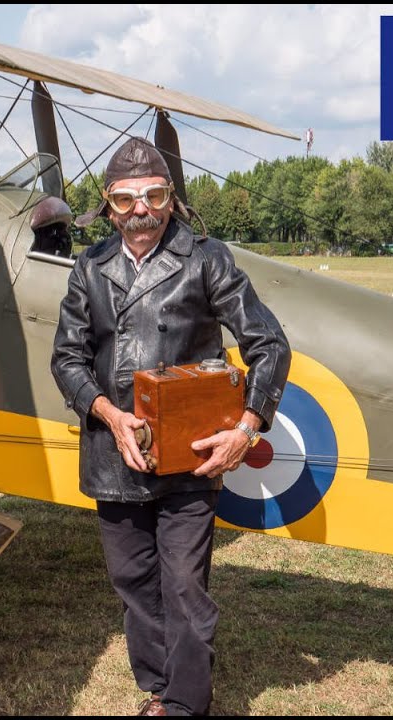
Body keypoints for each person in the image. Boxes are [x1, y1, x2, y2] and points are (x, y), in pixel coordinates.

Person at [50, 137, 290, 716]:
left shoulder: (207, 259)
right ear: (108, 205)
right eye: (127, 198)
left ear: (171, 200)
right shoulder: (90, 267)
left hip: (190, 458)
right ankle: (159, 687)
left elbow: (269, 343)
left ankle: (185, 704)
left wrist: (246, 428)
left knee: (184, 586)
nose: (141, 209)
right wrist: (109, 413)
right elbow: (67, 358)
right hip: (115, 453)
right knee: (134, 581)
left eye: (154, 195)